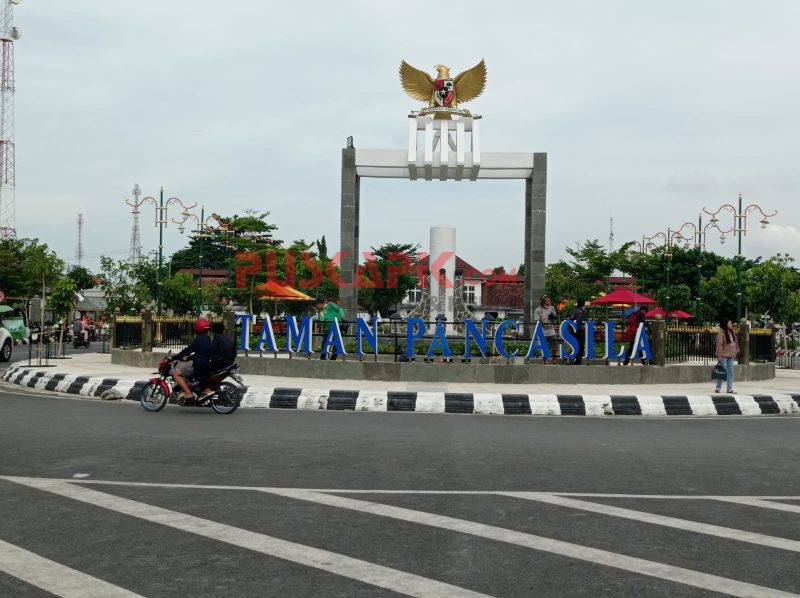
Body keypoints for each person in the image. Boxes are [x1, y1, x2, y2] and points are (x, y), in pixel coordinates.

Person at [172, 318, 212, 403]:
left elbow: (188, 350)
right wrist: (189, 358)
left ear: (198, 328)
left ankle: (188, 393)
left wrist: (175, 357)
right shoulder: (208, 339)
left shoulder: (199, 339)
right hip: (206, 365)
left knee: (175, 373)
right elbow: (201, 353)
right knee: (185, 372)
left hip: (198, 366)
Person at [715, 317, 739, 393]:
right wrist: (719, 356)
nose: (731, 324)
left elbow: (736, 342)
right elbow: (719, 345)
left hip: (731, 356)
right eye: (730, 323)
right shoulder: (721, 333)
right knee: (721, 372)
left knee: (731, 372)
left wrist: (736, 350)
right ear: (726, 324)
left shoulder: (732, 333)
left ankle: (729, 388)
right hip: (723, 356)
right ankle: (718, 387)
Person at [533, 295, 558, 364]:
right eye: (547, 301)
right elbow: (537, 321)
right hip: (543, 331)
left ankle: (554, 359)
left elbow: (555, 318)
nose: (549, 302)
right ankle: (545, 360)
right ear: (543, 302)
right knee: (544, 346)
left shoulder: (552, 308)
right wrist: (543, 321)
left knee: (554, 346)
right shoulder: (538, 310)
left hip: (552, 330)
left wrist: (553, 318)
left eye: (549, 300)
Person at [569, 298, 587, 365]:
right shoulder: (582, 311)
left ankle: (570, 356)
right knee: (581, 346)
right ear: (584, 303)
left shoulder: (575, 310)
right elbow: (580, 321)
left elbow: (571, 319)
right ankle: (578, 360)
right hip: (580, 330)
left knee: (575, 345)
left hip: (574, 330)